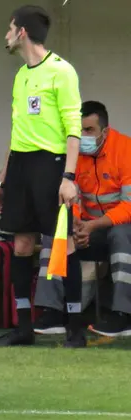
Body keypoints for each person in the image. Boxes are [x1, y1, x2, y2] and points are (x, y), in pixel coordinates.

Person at [0, 5, 84, 347]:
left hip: (52, 165)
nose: (6, 35)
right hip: (20, 167)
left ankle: (75, 326)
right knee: (22, 245)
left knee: (62, 243)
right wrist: (1, 182)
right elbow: (17, 134)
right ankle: (24, 327)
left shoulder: (62, 71)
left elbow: (74, 128)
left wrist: (68, 176)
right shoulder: (20, 75)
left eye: (9, 28)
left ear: (22, 32)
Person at [72, 102, 131, 337]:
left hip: (120, 228)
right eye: (79, 130)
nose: (82, 136)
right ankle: (54, 312)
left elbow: (129, 204)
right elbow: (70, 197)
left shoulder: (125, 149)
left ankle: (123, 315)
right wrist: (77, 225)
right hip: (90, 229)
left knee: (120, 234)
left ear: (104, 131)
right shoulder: (74, 152)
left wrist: (93, 225)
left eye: (88, 130)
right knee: (55, 231)